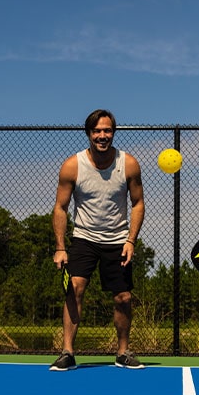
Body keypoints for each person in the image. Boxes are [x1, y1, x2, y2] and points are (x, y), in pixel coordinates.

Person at [49, 109, 146, 371]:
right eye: (97, 131)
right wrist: (60, 247)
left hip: (117, 240)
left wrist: (131, 240)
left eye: (107, 130)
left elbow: (137, 204)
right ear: (89, 133)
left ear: (113, 132)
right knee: (75, 288)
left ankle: (123, 352)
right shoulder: (72, 166)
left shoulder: (129, 164)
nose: (102, 136)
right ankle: (67, 352)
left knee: (123, 298)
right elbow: (60, 207)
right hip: (84, 238)